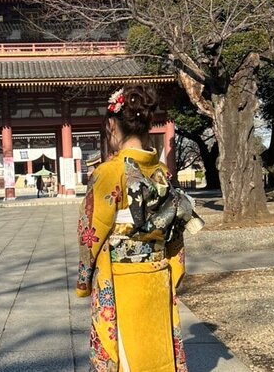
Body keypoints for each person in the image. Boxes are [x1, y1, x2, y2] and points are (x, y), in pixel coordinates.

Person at [76, 85, 188, 371]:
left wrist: (84, 279)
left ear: (112, 125)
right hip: (158, 276)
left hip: (122, 281)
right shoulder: (162, 173)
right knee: (157, 354)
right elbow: (174, 230)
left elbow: (91, 233)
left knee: (126, 356)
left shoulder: (108, 173)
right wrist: (173, 268)